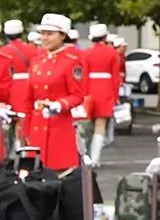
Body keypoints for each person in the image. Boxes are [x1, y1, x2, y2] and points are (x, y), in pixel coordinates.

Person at [26, 13, 85, 170]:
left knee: (59, 175)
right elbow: (28, 97)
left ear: (62, 36)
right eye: (42, 33)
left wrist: (60, 105)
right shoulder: (36, 61)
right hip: (37, 125)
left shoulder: (71, 61)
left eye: (50, 34)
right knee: (35, 175)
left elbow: (78, 96)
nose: (44, 38)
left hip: (59, 126)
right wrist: (26, 128)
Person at [81, 23, 121, 167]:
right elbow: (116, 78)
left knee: (85, 127)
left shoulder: (86, 53)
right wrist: (116, 96)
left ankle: (85, 158)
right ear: (105, 37)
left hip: (90, 89)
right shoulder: (112, 53)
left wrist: (84, 94)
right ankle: (95, 159)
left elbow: (84, 75)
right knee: (100, 125)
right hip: (106, 89)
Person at [1, 18, 39, 146]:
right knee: (22, 122)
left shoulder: (3, 51)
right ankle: (20, 155)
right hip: (27, 86)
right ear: (21, 32)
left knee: (9, 120)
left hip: (9, 87)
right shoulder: (32, 49)